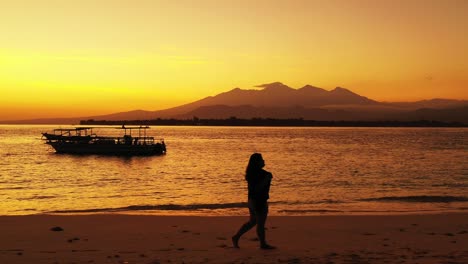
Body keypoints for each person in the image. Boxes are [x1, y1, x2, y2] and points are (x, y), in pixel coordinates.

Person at [232, 153, 276, 250]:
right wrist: (267, 179)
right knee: (260, 224)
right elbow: (257, 188)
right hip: (259, 201)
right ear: (257, 162)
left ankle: (236, 237)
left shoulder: (251, 173)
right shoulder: (262, 174)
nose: (264, 161)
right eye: (261, 160)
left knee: (253, 221)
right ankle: (263, 244)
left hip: (252, 200)